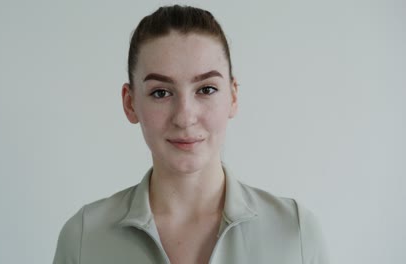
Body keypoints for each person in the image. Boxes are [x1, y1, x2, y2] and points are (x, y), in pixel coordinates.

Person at [53, 5, 329, 264]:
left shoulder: (296, 234)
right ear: (130, 103)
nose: (185, 117)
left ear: (233, 96)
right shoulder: (84, 238)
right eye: (161, 92)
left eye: (206, 89)